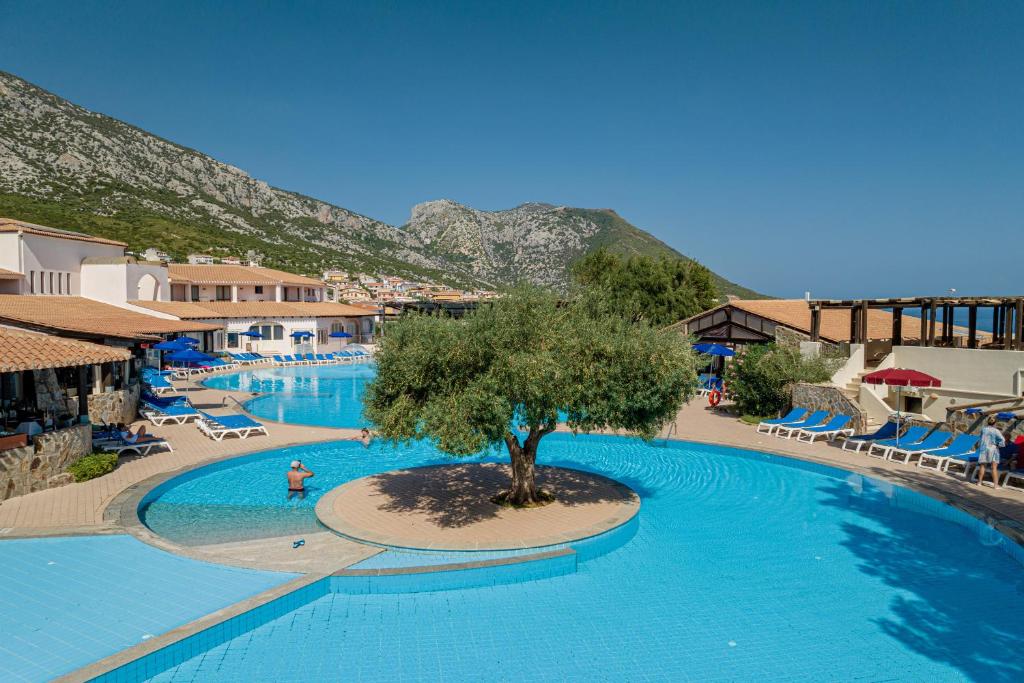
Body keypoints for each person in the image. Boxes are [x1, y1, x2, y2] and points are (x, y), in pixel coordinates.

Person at [977, 416, 1006, 488]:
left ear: (988, 422)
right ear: (995, 423)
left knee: (982, 466)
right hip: (993, 449)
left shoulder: (983, 430)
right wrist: (998, 445)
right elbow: (1002, 440)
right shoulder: (996, 431)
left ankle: (979, 482)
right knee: (994, 467)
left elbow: (980, 439)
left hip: (983, 449)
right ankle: (995, 485)